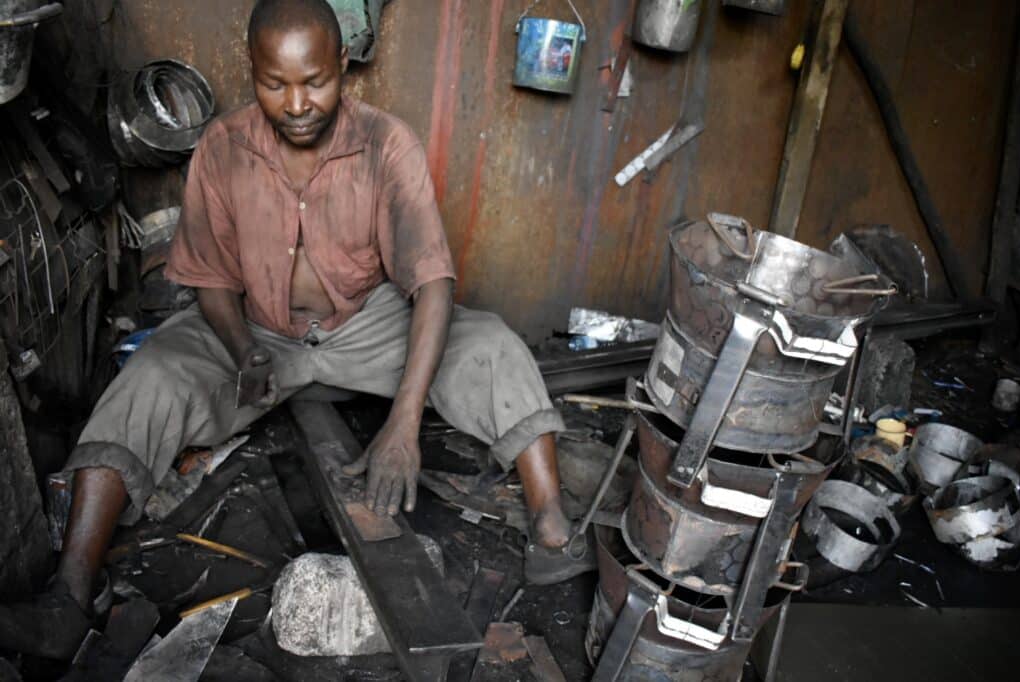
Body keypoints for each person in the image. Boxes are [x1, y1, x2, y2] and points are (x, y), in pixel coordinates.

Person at [0, 0, 592, 660]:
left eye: (315, 81)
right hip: (260, 333)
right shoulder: (222, 149)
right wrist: (244, 350)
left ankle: (550, 526)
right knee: (149, 380)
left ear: (342, 67)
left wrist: (403, 420)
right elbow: (213, 279)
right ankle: (69, 597)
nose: (297, 103)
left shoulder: (387, 144)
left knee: (489, 345)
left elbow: (432, 284)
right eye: (274, 84)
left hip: (367, 324)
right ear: (248, 70)